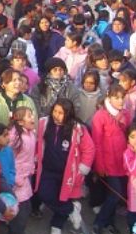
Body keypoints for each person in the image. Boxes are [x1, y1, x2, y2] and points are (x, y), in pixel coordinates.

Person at [34, 98, 94, 234]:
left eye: (61, 113)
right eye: (55, 111)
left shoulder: (77, 128)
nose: (56, 115)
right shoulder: (44, 123)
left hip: (68, 172)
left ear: (68, 113)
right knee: (44, 194)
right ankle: (71, 209)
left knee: (63, 197)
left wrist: (82, 169)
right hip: (47, 169)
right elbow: (37, 142)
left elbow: (89, 149)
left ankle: (57, 225)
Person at [91, 84, 131, 233]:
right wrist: (99, 166)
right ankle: (99, 222)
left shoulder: (126, 114)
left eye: (122, 97)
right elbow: (97, 142)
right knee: (115, 194)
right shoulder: (100, 116)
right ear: (109, 97)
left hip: (122, 162)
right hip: (108, 163)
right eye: (116, 97)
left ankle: (109, 223)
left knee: (114, 195)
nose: (120, 101)